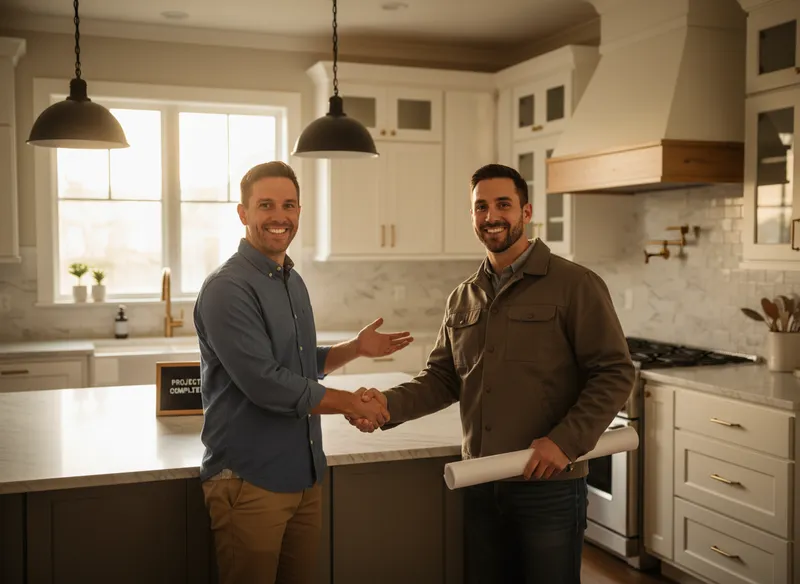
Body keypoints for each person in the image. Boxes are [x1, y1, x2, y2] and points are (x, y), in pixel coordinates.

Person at [352, 163, 635, 583]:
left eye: (503, 204)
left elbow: (614, 372)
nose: (491, 216)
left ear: (526, 211)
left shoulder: (575, 284)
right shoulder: (463, 296)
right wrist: (386, 406)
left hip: (549, 485)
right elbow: (443, 379)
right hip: (482, 481)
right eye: (480, 206)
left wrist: (565, 441)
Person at [193, 160, 414, 584]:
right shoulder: (227, 288)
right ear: (243, 213)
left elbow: (293, 363)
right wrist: (352, 403)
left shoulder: (290, 279)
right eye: (266, 205)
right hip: (249, 479)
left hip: (304, 475)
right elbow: (266, 383)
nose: (280, 216)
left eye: (289, 205)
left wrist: (354, 349)